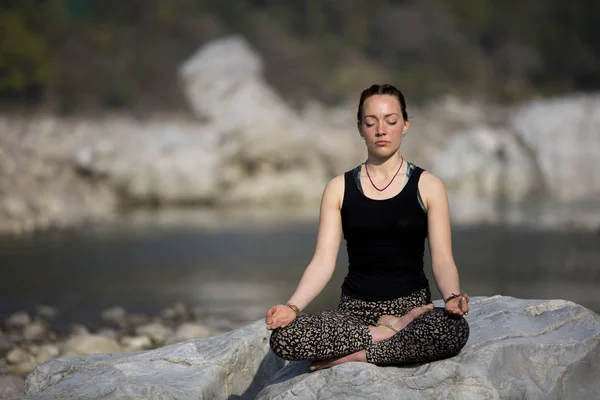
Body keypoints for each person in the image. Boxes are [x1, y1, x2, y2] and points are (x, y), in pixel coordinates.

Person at [265, 84, 470, 371]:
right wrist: (293, 307)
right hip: (354, 312)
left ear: (405, 125)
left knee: (452, 330)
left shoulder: (429, 186)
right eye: (371, 122)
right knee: (284, 339)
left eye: (391, 121)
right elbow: (323, 261)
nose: (381, 130)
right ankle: (386, 334)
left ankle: (358, 354)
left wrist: (451, 297)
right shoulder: (338, 188)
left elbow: (443, 259)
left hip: (413, 308)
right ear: (360, 128)